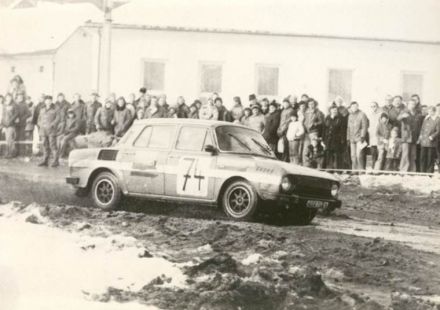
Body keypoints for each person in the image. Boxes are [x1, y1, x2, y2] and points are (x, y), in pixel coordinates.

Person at [397, 99, 423, 172]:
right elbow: (398, 118)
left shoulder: (417, 113)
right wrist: (402, 116)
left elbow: (419, 125)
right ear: (408, 105)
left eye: (414, 104)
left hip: (414, 137)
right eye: (411, 104)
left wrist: (419, 137)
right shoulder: (404, 111)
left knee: (413, 155)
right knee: (405, 154)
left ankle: (412, 170)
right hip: (406, 137)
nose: (412, 105)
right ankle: (403, 170)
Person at [37, 96, 60, 167]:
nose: (48, 102)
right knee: (45, 145)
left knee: (52, 145)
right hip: (43, 130)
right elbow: (39, 119)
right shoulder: (42, 109)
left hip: (51, 130)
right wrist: (40, 124)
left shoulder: (55, 109)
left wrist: (52, 125)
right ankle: (45, 160)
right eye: (47, 100)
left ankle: (56, 161)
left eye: (50, 100)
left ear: (51, 101)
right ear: (45, 101)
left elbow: (58, 118)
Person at [347, 101, 369, 170]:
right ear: (350, 107)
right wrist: (348, 138)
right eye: (352, 106)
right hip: (352, 138)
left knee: (359, 155)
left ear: (358, 106)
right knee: (353, 155)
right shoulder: (350, 116)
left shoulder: (362, 114)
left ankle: (361, 170)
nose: (354, 108)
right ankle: (354, 170)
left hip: (359, 138)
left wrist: (363, 136)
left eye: (355, 106)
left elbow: (364, 126)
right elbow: (348, 128)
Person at [417, 106, 439, 173]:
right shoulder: (426, 118)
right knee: (423, 157)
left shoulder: (438, 119)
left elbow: (438, 131)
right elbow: (422, 129)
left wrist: (432, 137)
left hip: (431, 142)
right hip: (424, 141)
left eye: (431, 111)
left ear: (434, 111)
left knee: (430, 158)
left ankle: (429, 173)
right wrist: (420, 136)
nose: (429, 112)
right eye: (428, 111)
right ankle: (422, 172)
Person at [303, 99, 324, 164]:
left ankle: (315, 164)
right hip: (307, 132)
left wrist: (315, 124)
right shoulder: (306, 112)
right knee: (306, 149)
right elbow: (304, 120)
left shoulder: (318, 112)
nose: (311, 105)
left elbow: (321, 122)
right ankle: (306, 165)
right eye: (309, 104)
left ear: (315, 104)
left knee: (314, 148)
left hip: (314, 132)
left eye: (312, 104)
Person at [1, 94, 19, 158]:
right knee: (7, 139)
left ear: (11, 98)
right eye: (7, 97)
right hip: (5, 125)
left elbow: (16, 114)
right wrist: (3, 124)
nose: (8, 98)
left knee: (10, 139)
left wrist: (10, 122)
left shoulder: (14, 105)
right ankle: (8, 153)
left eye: (9, 97)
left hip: (11, 125)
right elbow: (3, 115)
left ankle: (12, 153)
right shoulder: (5, 105)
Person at [368, 102, 383, 169]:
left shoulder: (380, 115)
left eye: (374, 106)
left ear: (377, 107)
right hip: (372, 136)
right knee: (373, 153)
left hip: (379, 136)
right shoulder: (369, 115)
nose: (373, 108)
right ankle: (373, 167)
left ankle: (378, 168)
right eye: (372, 106)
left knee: (380, 153)